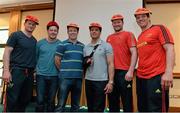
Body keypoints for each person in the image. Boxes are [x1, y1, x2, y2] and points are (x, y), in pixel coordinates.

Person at [134, 8, 175, 112]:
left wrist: (169, 72)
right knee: (143, 108)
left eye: (143, 16)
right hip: (141, 78)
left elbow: (170, 48)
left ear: (148, 17)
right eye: (138, 17)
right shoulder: (140, 36)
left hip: (156, 77)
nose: (140, 19)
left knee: (156, 109)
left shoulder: (159, 28)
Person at [2, 15, 39, 112]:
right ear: (25, 23)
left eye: (33, 24)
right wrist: (6, 71)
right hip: (16, 71)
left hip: (29, 73)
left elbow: (33, 57)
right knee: (12, 98)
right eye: (29, 23)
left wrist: (34, 71)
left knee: (25, 99)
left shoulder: (34, 40)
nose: (31, 26)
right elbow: (7, 52)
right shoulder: (16, 35)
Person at [107, 14, 137, 112]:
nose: (116, 24)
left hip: (124, 73)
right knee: (112, 101)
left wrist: (131, 71)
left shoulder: (129, 34)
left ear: (122, 23)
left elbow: (134, 52)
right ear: (112, 24)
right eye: (114, 22)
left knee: (127, 102)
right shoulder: (109, 37)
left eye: (118, 22)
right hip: (111, 74)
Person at [84, 22, 114, 112]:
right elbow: (84, 63)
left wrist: (111, 82)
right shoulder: (86, 47)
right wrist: (86, 62)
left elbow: (111, 63)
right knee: (90, 107)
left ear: (100, 32)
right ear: (90, 32)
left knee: (98, 108)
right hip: (88, 80)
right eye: (92, 30)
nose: (94, 32)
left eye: (96, 30)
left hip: (101, 81)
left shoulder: (106, 46)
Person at [54, 23, 84, 112]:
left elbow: (83, 61)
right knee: (61, 104)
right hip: (64, 78)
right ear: (68, 32)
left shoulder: (82, 46)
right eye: (70, 31)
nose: (72, 32)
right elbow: (57, 60)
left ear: (77, 32)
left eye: (74, 31)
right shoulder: (62, 45)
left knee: (75, 105)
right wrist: (63, 71)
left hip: (78, 79)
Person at [35, 21, 60, 112]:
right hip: (41, 75)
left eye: (55, 30)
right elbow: (36, 57)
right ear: (47, 31)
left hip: (55, 76)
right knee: (40, 100)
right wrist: (35, 71)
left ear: (57, 32)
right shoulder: (40, 43)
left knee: (51, 100)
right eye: (51, 30)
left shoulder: (60, 44)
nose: (53, 32)